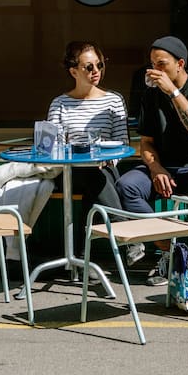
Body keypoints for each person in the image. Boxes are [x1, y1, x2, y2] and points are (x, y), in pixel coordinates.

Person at [117, 36, 188, 286]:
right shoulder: (151, 95)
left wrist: (173, 92)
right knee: (127, 186)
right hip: (166, 166)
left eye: (161, 64)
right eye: (152, 64)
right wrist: (155, 168)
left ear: (180, 64)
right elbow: (146, 142)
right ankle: (172, 251)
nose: (155, 70)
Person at [47, 41, 129, 254]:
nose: (96, 71)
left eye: (99, 65)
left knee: (96, 179)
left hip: (106, 167)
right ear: (73, 71)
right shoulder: (60, 104)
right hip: (69, 171)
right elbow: (54, 146)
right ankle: (123, 231)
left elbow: (123, 142)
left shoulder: (113, 101)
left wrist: (109, 160)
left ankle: (82, 259)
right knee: (93, 175)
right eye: (89, 67)